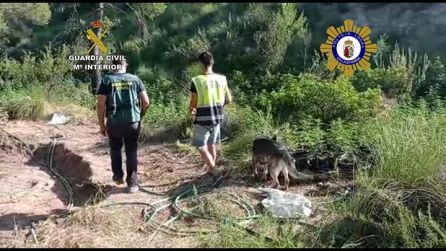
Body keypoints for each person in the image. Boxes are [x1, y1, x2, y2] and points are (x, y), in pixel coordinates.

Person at [96, 57, 149, 193]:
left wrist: (102, 124)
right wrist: (140, 115)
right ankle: (132, 184)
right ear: (125, 64)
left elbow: (101, 104)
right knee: (131, 151)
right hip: (133, 122)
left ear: (113, 66)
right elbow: (146, 101)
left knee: (115, 149)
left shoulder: (107, 80)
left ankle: (118, 176)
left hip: (114, 122)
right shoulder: (135, 79)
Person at [189, 51, 232, 183]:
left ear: (201, 64)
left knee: (200, 146)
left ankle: (214, 170)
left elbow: (193, 103)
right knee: (211, 145)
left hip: (202, 118)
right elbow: (228, 99)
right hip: (217, 117)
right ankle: (212, 172)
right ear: (212, 63)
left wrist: (191, 110)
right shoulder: (222, 79)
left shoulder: (196, 81)